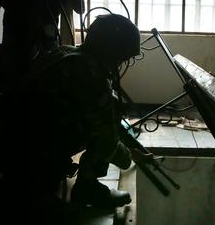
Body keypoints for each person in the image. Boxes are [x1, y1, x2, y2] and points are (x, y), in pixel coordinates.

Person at [7, 14, 140, 208]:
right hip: (32, 149)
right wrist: (128, 157)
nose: (120, 64)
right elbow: (106, 140)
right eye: (121, 58)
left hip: (11, 140)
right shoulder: (92, 75)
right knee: (100, 135)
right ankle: (87, 189)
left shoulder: (65, 53)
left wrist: (130, 144)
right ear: (111, 52)